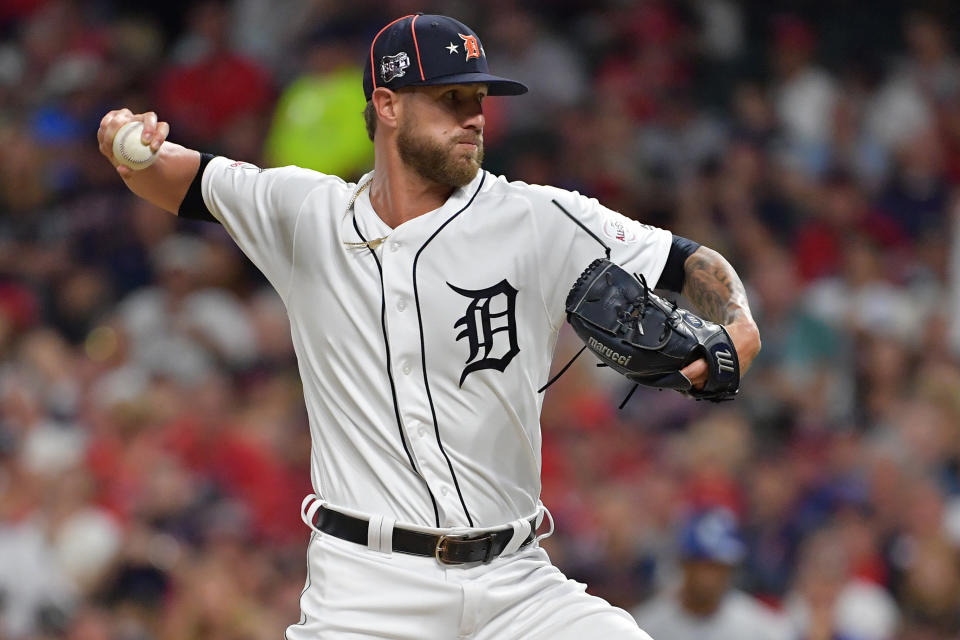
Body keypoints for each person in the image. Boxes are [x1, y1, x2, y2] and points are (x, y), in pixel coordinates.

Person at [96, 13, 760, 639]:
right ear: (387, 105)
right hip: (365, 589)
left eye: (477, 100)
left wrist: (739, 324)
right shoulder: (307, 214)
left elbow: (689, 260)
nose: (474, 117)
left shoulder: (536, 217)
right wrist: (130, 143)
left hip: (517, 584)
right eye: (450, 99)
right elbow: (179, 179)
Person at [632, 508, 792, 640]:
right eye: (703, 565)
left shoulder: (760, 627)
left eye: (719, 567)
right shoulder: (645, 627)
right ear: (685, 565)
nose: (711, 577)